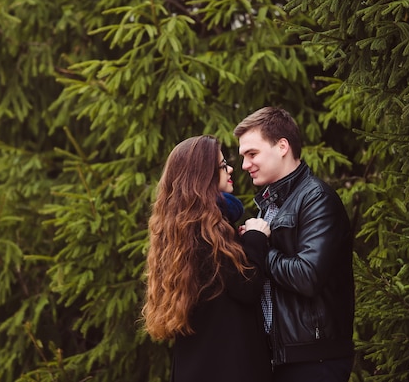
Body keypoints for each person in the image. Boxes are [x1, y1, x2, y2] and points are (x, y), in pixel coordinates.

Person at [234, 107, 355, 382]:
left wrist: (260, 246)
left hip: (314, 358)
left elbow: (308, 276)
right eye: (243, 157)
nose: (244, 165)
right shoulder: (269, 206)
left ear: (282, 146)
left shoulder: (317, 198)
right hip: (280, 358)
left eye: (252, 154)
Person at [143, 135, 273, 382]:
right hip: (226, 367)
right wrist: (256, 238)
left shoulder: (182, 229)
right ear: (203, 176)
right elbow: (247, 286)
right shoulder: (207, 232)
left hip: (197, 365)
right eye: (223, 166)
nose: (231, 169)